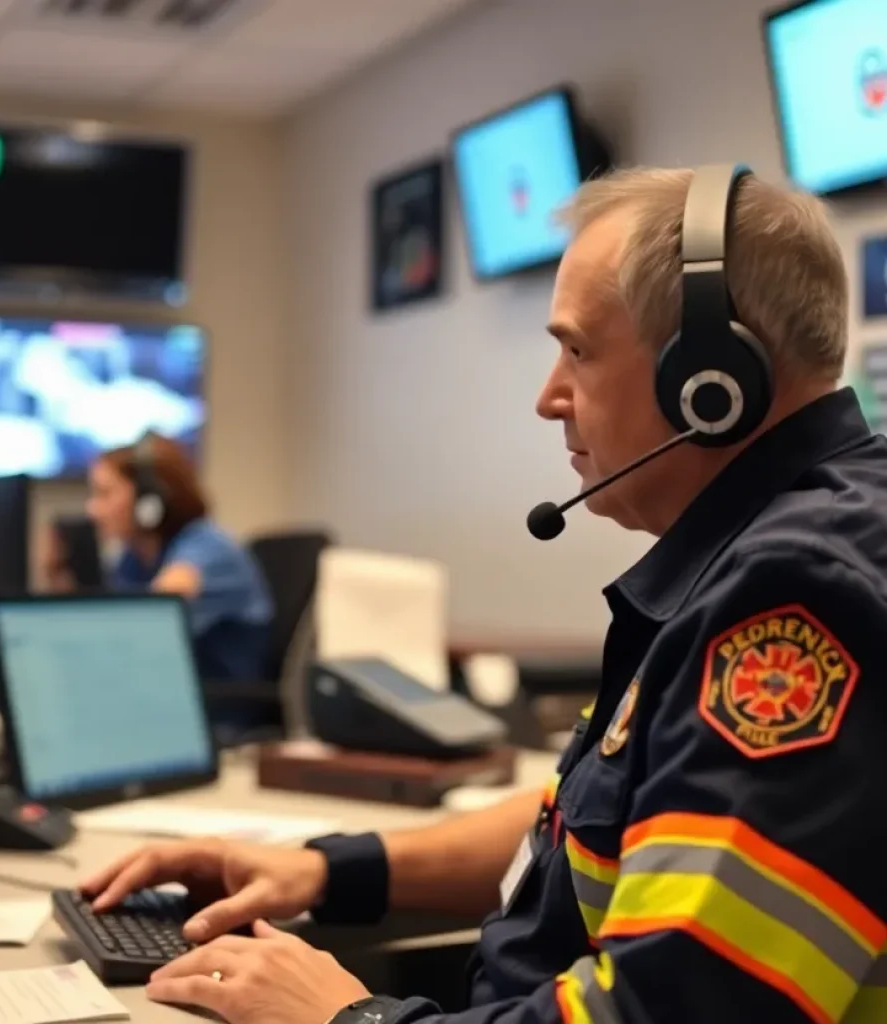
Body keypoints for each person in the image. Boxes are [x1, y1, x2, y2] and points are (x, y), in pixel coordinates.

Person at [80, 165, 887, 1024]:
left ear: (713, 382)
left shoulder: (799, 597)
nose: (549, 398)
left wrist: (347, 1021)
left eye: (577, 348)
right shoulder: (766, 552)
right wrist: (325, 869)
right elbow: (582, 823)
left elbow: (681, 1010)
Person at [60, 433, 274, 688]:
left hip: (221, 714)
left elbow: (150, 622)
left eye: (104, 494)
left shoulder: (209, 548)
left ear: (149, 501)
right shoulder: (133, 559)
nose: (92, 509)